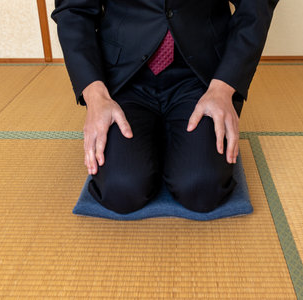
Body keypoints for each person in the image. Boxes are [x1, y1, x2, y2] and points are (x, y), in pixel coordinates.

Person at [51, 0, 278, 214]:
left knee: (202, 187)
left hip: (202, 76)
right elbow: (73, 9)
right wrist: (94, 94)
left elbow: (256, 4)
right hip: (123, 75)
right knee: (120, 189)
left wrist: (225, 86)